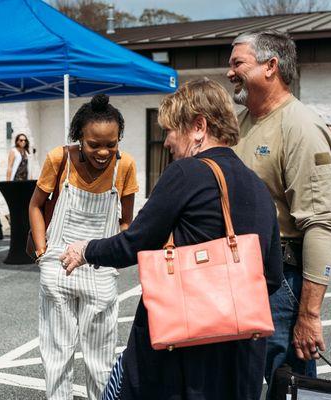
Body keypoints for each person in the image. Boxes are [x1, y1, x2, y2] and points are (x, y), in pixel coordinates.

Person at [60, 78, 283, 400]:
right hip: (241, 356)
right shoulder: (257, 185)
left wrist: (86, 250)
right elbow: (271, 276)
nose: (166, 141)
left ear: (198, 126)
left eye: (169, 130)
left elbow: (134, 243)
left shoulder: (187, 173)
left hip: (182, 349)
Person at [227, 30, 331, 397]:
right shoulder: (242, 124)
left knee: (287, 385)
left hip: (283, 285)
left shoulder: (301, 127)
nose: (229, 73)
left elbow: (322, 224)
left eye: (237, 63)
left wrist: (309, 315)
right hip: (242, 278)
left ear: (270, 67)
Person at [29, 94, 139, 400]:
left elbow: (126, 222)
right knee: (56, 357)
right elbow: (35, 206)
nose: (103, 152)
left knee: (101, 362)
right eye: (94, 144)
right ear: (79, 138)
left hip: (100, 271)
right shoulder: (59, 159)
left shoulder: (125, 166)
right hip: (58, 269)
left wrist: (115, 261)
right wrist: (42, 254)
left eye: (111, 144)